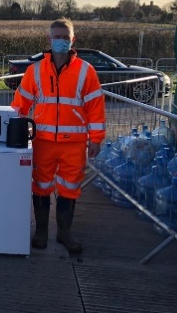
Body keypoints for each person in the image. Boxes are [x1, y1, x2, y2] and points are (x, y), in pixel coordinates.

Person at [10, 18, 106, 253]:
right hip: (42, 140)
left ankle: (64, 233)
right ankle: (41, 231)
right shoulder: (35, 70)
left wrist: (96, 138)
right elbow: (20, 104)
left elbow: (95, 107)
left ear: (73, 40)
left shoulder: (86, 71)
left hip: (74, 144)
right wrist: (10, 129)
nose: (61, 41)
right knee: (40, 186)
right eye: (57, 37)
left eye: (65, 37)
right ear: (49, 39)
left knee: (69, 188)